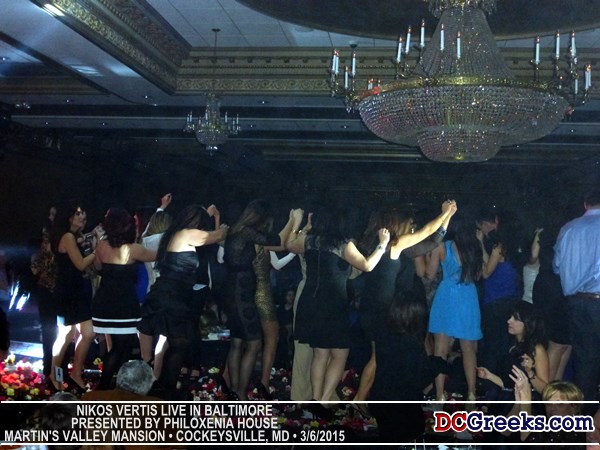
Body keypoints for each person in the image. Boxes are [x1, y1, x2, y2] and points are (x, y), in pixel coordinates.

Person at [353, 200, 457, 410]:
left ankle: (365, 399)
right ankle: (360, 399)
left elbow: (433, 241)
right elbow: (427, 231)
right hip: (381, 310)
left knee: (379, 357)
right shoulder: (395, 244)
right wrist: (444, 213)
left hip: (373, 307)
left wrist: (448, 217)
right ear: (398, 224)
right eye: (409, 224)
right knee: (378, 358)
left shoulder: (383, 245)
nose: (412, 227)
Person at [286, 206, 390, 404]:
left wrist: (299, 225)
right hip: (333, 304)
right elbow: (367, 265)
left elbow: (289, 244)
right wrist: (382, 244)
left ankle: (316, 399)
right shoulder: (342, 244)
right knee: (340, 354)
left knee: (320, 353)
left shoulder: (310, 241)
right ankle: (323, 400)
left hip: (311, 302)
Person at [137, 204, 227, 397]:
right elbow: (218, 236)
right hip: (170, 296)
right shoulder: (186, 234)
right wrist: (222, 225)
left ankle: (163, 388)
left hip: (170, 295)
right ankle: (165, 390)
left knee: (178, 344)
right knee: (180, 343)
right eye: (201, 224)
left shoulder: (174, 234)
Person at [223, 199, 295, 400]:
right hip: (243, 293)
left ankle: (234, 391)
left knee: (237, 342)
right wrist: (292, 221)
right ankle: (239, 393)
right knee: (254, 344)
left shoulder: (234, 231)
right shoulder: (248, 232)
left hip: (231, 292)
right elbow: (278, 241)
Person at [369, 289, 448, 442]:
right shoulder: (410, 342)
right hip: (402, 406)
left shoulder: (384, 334)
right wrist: (437, 364)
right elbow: (416, 379)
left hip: (381, 399)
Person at [92, 207, 156, 389]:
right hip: (123, 306)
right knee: (121, 348)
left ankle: (115, 386)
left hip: (104, 303)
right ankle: (104, 387)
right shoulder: (133, 249)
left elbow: (98, 268)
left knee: (120, 347)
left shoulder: (102, 246)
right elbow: (159, 255)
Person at [426, 215, 483, 403]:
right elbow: (479, 275)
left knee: (440, 349)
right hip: (468, 296)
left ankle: (440, 395)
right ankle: (472, 394)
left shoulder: (442, 245)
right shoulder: (474, 247)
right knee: (469, 349)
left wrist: (427, 255)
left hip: (447, 296)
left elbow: (430, 274)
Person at [553, 187, 600, 415]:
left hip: (577, 303)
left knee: (585, 362)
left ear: (585, 204)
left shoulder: (568, 228)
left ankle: (585, 419)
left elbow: (557, 266)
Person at [48, 204, 101, 393]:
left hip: (79, 290)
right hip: (68, 292)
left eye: (83, 213)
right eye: (78, 213)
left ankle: (75, 373)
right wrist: (97, 251)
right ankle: (54, 374)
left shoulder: (76, 237)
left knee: (88, 333)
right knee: (66, 334)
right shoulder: (67, 237)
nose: (82, 216)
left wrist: (93, 242)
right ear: (69, 217)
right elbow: (80, 264)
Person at [477, 301, 549, 398]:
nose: (509, 321)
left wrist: (530, 372)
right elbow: (509, 384)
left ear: (527, 323)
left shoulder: (537, 349)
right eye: (510, 317)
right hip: (510, 398)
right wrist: (488, 376)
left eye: (515, 319)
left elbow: (545, 390)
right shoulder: (510, 345)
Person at [505, 366, 587, 446]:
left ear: (574, 408)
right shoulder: (543, 424)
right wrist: (518, 404)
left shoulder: (579, 434)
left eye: (559, 404)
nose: (552, 408)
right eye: (549, 404)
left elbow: (529, 440)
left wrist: (526, 400)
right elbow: (505, 432)